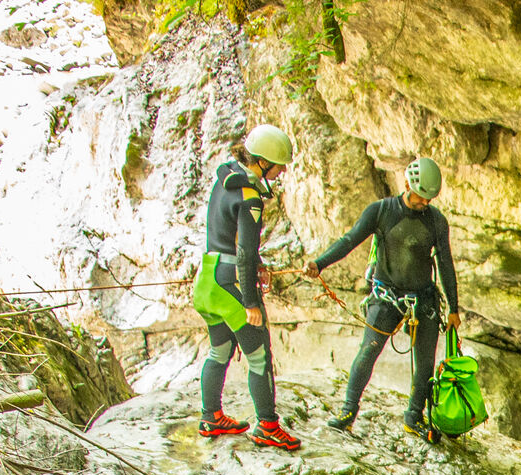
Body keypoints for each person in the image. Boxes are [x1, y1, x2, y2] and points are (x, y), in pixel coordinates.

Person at [304, 157, 461, 443]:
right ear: (407, 185)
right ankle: (348, 412)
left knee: (425, 363)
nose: (424, 203)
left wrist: (454, 308)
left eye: (429, 199)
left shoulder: (436, 221)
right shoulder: (382, 211)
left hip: (423, 299)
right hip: (387, 295)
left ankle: (414, 417)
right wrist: (320, 263)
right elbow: (350, 240)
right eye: (420, 196)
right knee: (368, 351)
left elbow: (446, 264)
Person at [194, 124, 299, 450]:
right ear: (263, 162)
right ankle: (267, 426)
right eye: (279, 165)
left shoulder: (225, 179)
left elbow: (226, 237)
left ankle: (211, 417)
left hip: (209, 279)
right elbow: (244, 252)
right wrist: (251, 303)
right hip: (232, 284)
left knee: (219, 351)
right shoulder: (250, 198)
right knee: (259, 357)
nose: (282, 171)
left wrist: (258, 265)